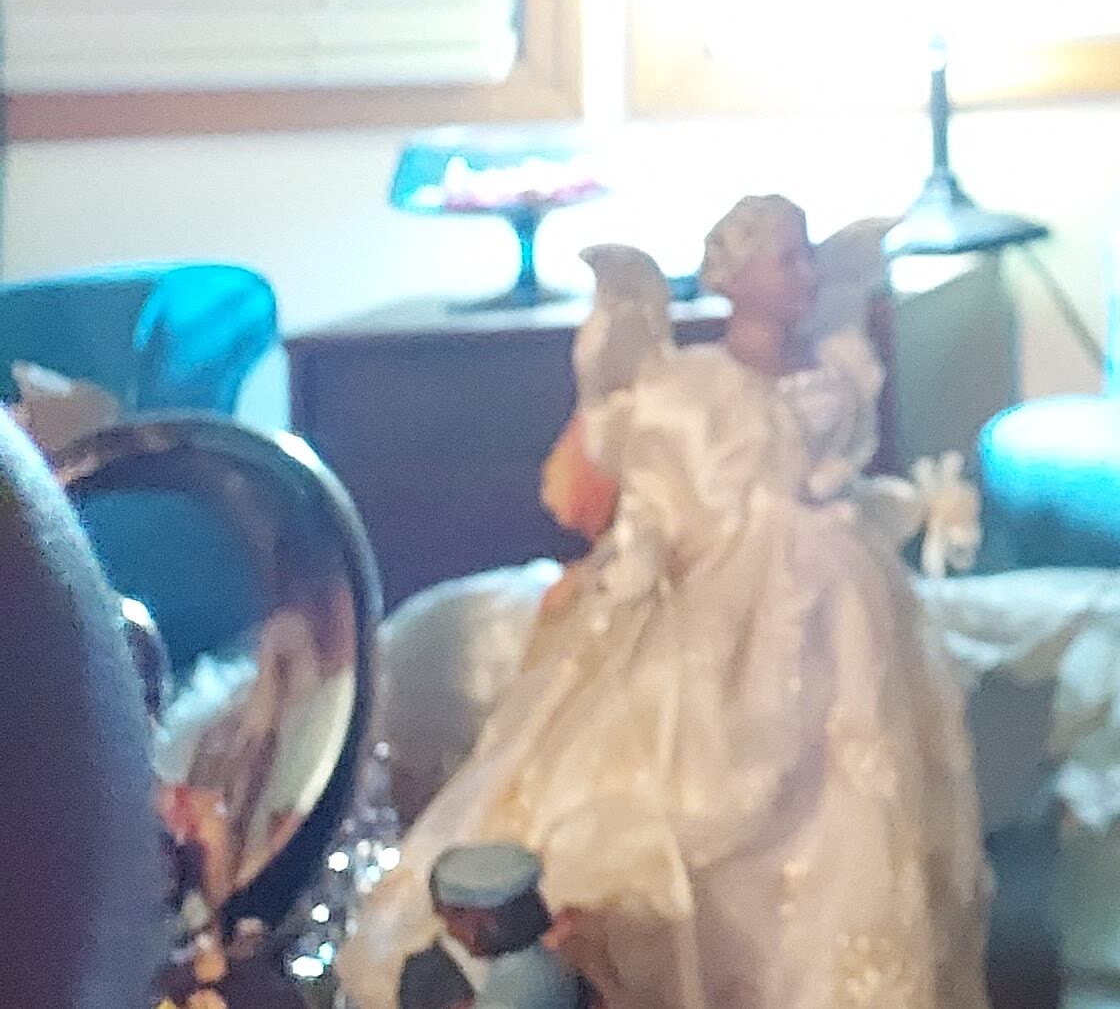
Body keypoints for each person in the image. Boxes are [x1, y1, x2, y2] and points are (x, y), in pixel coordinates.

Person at [343, 200, 986, 1009]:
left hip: (840, 607)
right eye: (785, 259)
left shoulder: (831, 373)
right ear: (734, 276)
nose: (807, 276)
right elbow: (658, 510)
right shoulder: (687, 389)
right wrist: (629, 576)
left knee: (853, 791)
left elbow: (838, 479)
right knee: (694, 776)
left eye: (806, 257)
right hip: (724, 605)